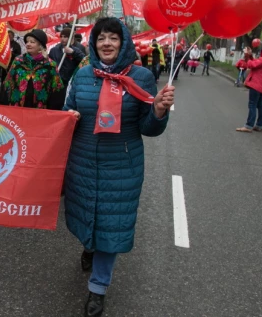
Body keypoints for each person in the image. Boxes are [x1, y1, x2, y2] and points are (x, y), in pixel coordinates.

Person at [63, 17, 174, 317]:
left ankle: (98, 288)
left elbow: (148, 128)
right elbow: (67, 110)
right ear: (94, 44)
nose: (107, 43)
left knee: (112, 224)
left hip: (122, 164)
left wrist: (159, 111)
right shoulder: (83, 75)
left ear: (123, 42)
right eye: (101, 38)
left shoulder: (141, 77)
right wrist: (69, 115)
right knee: (87, 215)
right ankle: (89, 245)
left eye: (113, 37)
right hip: (82, 160)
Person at [4, 29, 63, 109]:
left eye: (32, 42)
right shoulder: (18, 61)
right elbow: (8, 84)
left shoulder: (50, 65)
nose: (28, 44)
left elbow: (57, 90)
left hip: (40, 110)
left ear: (40, 45)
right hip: (17, 108)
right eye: (27, 42)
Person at [236, 40, 262, 133]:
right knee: (260, 105)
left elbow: (251, 64)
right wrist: (250, 55)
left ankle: (248, 125)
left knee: (252, 104)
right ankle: (259, 125)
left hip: (256, 84)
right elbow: (256, 62)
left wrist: (247, 55)